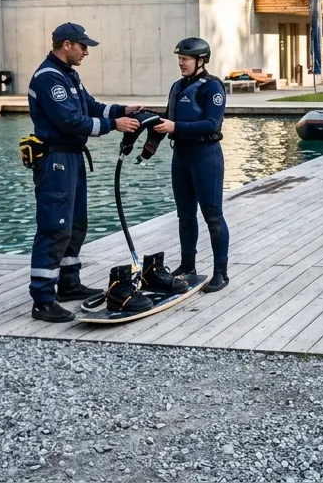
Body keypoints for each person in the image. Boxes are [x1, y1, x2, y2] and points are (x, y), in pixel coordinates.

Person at [26, 22, 142, 323]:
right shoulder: (48, 78)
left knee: (76, 224)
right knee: (55, 227)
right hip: (55, 161)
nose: (86, 52)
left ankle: (68, 283)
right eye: (82, 46)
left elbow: (90, 106)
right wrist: (112, 126)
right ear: (66, 45)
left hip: (72, 159)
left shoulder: (69, 75)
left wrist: (121, 111)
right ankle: (42, 299)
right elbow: (71, 121)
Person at [152, 37, 230, 293]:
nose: (180, 63)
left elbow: (211, 123)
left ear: (200, 60)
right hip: (181, 157)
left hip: (206, 157)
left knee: (213, 216)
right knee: (185, 216)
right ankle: (188, 266)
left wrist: (176, 127)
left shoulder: (212, 87)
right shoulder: (176, 87)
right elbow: (169, 118)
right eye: (179, 59)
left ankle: (221, 273)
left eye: (184, 59)